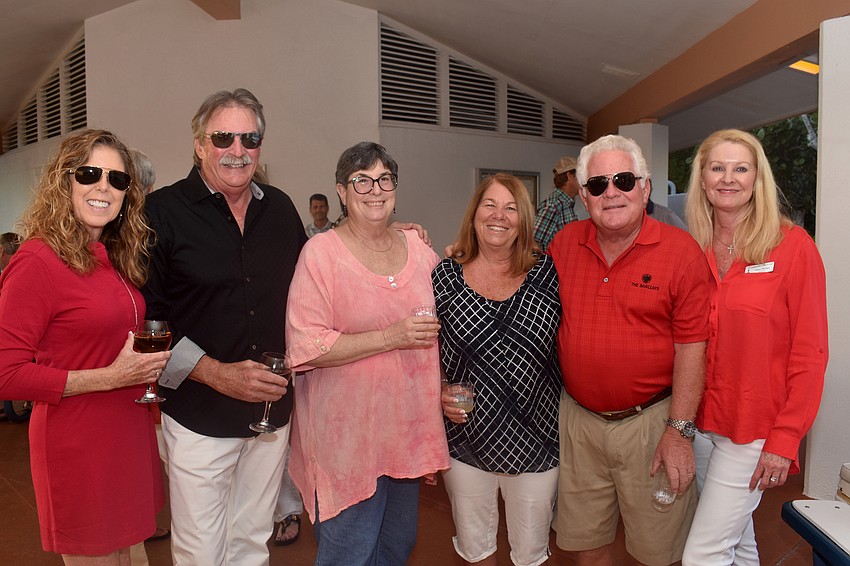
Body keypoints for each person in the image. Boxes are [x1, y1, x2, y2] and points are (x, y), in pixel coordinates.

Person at [142, 88, 307, 565]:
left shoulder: (280, 209)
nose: (238, 150)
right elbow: (148, 322)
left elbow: (317, 284)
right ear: (199, 144)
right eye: (223, 138)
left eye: (249, 139)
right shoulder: (161, 213)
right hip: (199, 415)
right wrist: (216, 373)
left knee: (252, 543)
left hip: (271, 414)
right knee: (200, 551)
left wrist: (385, 234)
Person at [0, 129, 170, 564]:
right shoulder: (38, 260)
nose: (103, 187)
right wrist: (110, 377)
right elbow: (6, 374)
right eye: (90, 173)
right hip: (78, 444)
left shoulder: (110, 254)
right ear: (65, 180)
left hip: (125, 434)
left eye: (117, 179)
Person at [549, 134, 711, 566]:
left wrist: (679, 432)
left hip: (652, 425)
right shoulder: (563, 245)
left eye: (623, 180)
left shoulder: (681, 252)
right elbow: (511, 275)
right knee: (587, 542)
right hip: (579, 423)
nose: (612, 192)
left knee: (659, 550)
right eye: (598, 184)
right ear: (584, 196)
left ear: (645, 188)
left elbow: (693, 348)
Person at [285, 141, 449, 565]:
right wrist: (390, 337)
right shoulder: (320, 254)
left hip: (405, 434)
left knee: (396, 548)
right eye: (361, 180)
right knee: (349, 553)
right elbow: (306, 345)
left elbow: (449, 314)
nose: (375, 190)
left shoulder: (419, 249)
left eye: (384, 179)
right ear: (342, 191)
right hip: (348, 444)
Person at [681, 129, 828, 565]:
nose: (728, 178)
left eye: (741, 168)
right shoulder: (694, 248)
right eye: (717, 167)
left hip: (754, 427)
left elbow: (811, 353)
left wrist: (786, 438)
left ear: (757, 178)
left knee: (703, 552)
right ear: (702, 179)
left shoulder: (794, 247)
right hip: (703, 422)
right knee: (737, 539)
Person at [435, 172, 562, 565]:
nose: (498, 215)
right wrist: (439, 389)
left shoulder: (547, 272)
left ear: (524, 219)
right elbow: (424, 350)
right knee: (476, 551)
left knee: (531, 553)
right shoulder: (444, 276)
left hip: (537, 440)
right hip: (466, 439)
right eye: (489, 205)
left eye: (511, 208)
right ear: (474, 213)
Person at [533, 156, 580, 250]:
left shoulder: (566, 204)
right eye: (580, 175)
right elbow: (533, 244)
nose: (583, 180)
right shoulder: (554, 205)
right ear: (570, 176)